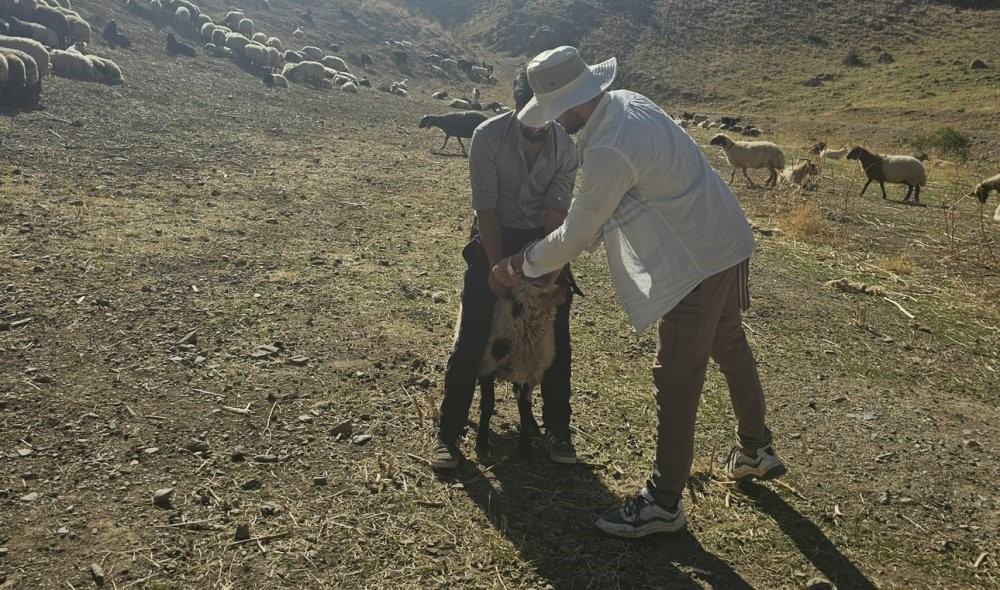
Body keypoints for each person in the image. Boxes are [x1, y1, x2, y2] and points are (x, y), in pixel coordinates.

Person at [493, 46, 786, 538]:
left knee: (676, 377)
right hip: (725, 238)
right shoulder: (630, 101)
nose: (552, 123)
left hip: (696, 263)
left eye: (551, 112)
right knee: (730, 344)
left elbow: (579, 232)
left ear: (567, 106)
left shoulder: (607, 147)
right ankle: (756, 448)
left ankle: (664, 502)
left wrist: (519, 264)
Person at [431, 71, 581, 469]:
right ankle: (449, 431)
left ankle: (557, 428)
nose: (536, 129)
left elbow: (556, 215)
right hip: (494, 232)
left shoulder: (566, 148)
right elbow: (487, 209)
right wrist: (498, 268)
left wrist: (551, 270)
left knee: (554, 330)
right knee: (475, 329)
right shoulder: (487, 137)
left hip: (542, 239)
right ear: (517, 106)